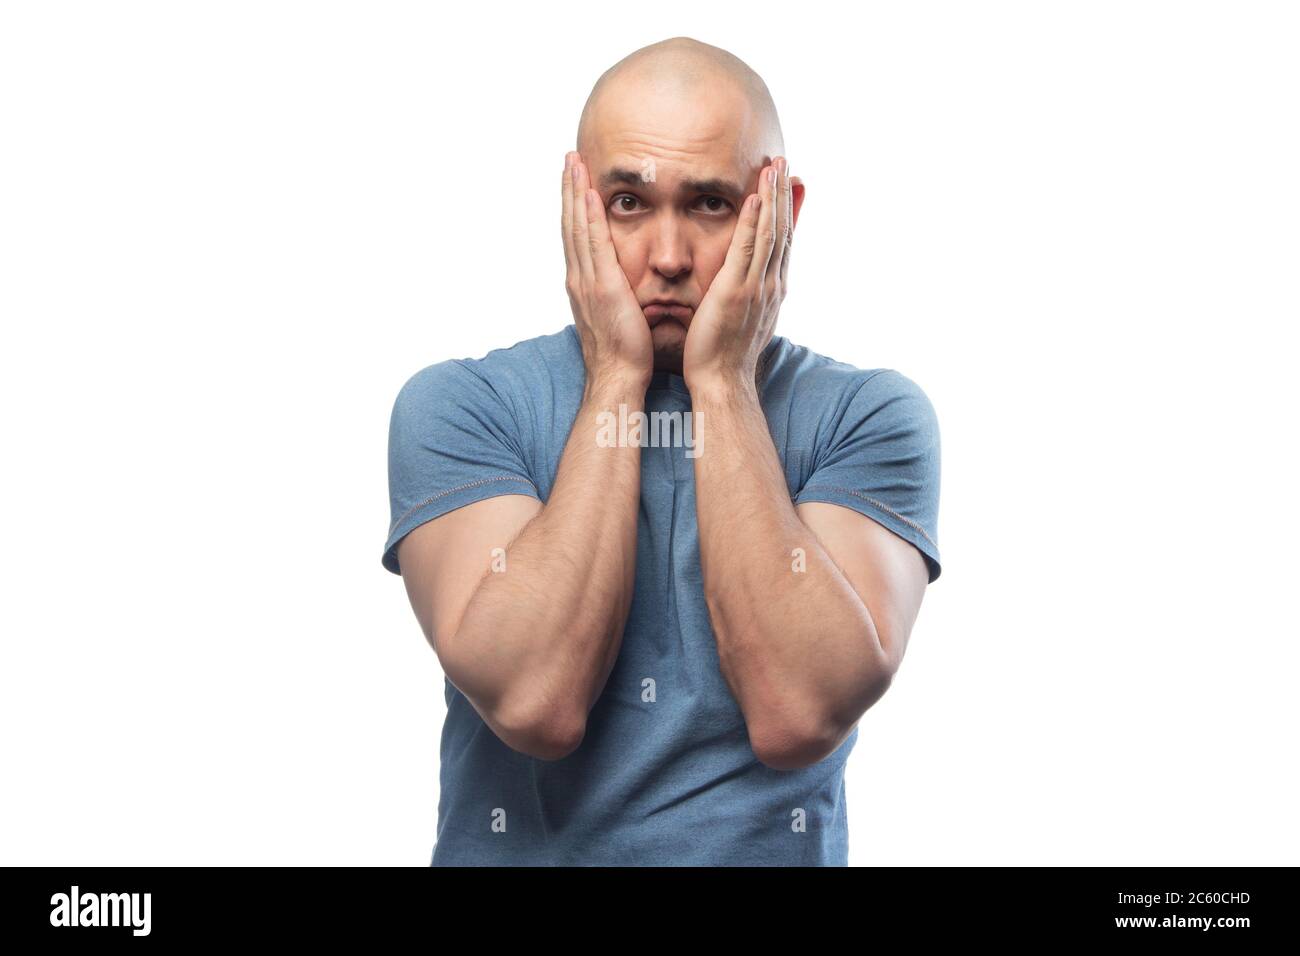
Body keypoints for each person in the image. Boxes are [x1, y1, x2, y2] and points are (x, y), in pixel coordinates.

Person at [381, 36, 942, 866]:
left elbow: (798, 713)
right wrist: (616, 377)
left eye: (711, 203)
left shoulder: (869, 418)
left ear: (780, 208)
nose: (669, 258)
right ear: (576, 205)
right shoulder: (462, 407)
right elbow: (536, 702)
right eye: (628, 203)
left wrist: (722, 383)